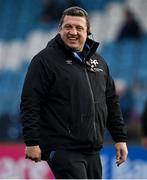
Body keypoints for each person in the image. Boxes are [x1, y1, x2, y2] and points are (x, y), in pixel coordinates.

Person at [20, 6, 128, 179]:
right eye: (68, 27)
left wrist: (120, 138)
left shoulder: (99, 62)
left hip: (92, 149)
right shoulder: (44, 60)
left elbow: (111, 101)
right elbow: (30, 102)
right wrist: (31, 141)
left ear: (88, 31)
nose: (73, 32)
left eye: (79, 28)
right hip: (62, 148)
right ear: (60, 29)